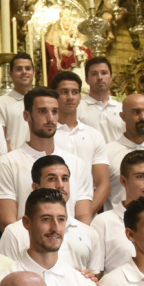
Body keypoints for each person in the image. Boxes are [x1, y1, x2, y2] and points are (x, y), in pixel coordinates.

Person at [0, 86, 94, 228]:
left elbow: (83, 219)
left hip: (71, 246)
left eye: (54, 112)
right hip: (26, 246)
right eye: (42, 111)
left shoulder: (76, 163)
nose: (50, 118)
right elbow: (8, 223)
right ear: (27, 116)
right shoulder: (8, 163)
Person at [0, 155, 101, 273]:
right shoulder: (14, 232)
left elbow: (95, 276)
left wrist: (88, 280)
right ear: (36, 187)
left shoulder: (89, 233)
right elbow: (4, 276)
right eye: (52, 179)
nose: (60, 185)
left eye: (65, 179)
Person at [51, 70, 110, 211]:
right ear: (54, 96)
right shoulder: (46, 135)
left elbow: (104, 183)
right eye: (64, 92)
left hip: (87, 212)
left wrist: (87, 214)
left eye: (75, 92)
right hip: (51, 210)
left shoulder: (94, 135)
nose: (70, 97)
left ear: (80, 97)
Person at [0, 52, 36, 150]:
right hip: (13, 161)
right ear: (11, 74)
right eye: (19, 69)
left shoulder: (42, 101)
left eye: (28, 68)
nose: (24, 72)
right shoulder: (0, 103)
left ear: (34, 72)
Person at [78, 57, 125, 143]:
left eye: (104, 73)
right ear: (86, 80)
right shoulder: (78, 108)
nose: (100, 77)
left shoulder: (122, 108)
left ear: (111, 77)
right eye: (94, 74)